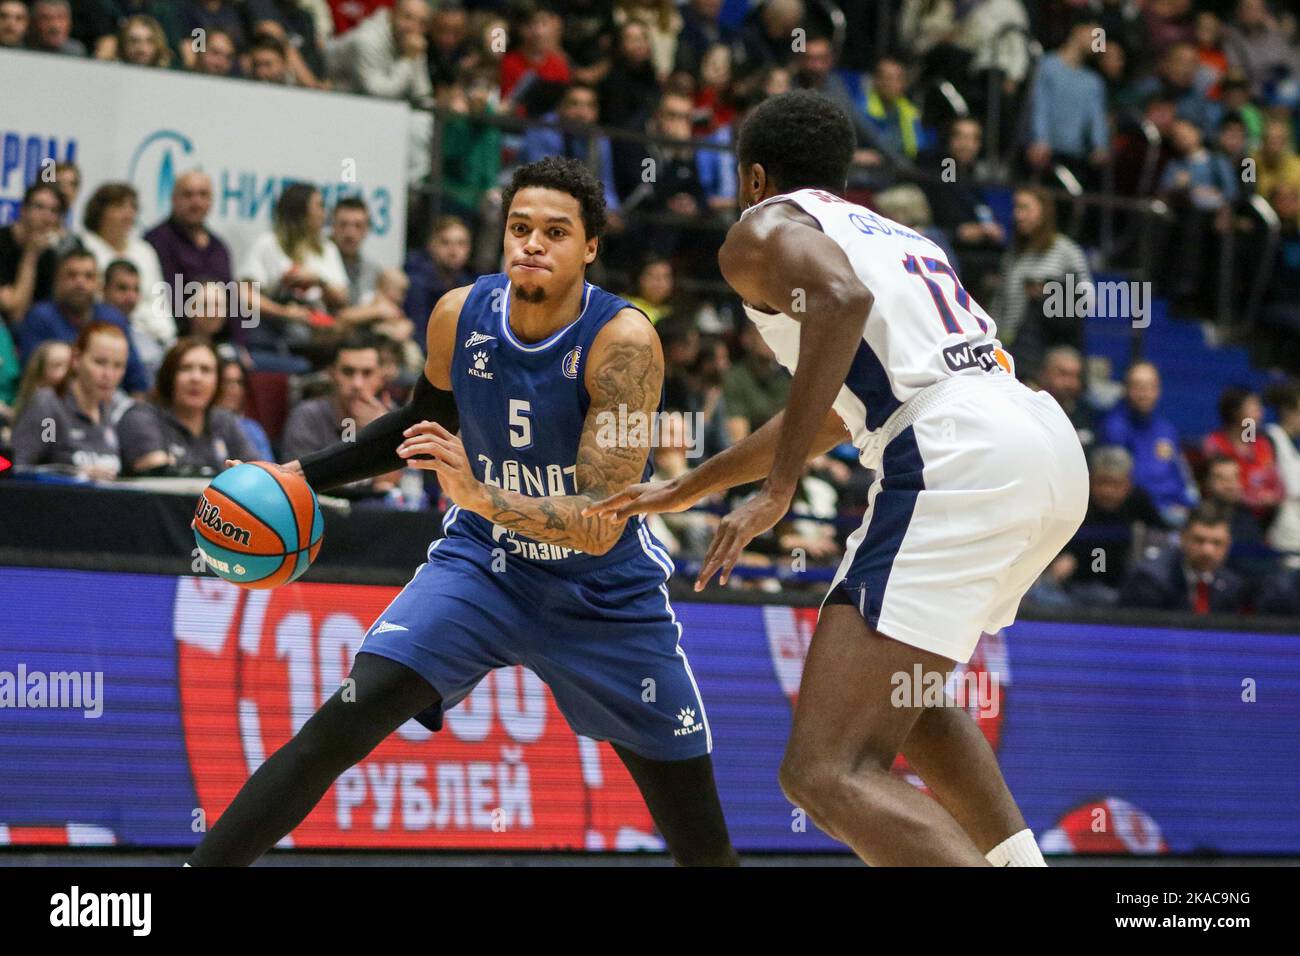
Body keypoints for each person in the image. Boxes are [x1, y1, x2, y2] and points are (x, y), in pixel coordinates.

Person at [187, 157, 737, 868]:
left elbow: (603, 519)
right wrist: (300, 473)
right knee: (340, 724)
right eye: (520, 228)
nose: (532, 244)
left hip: (602, 594)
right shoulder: (459, 314)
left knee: (701, 843)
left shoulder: (624, 343)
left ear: (591, 247)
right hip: (485, 568)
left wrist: (481, 495)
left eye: (555, 232)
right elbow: (422, 419)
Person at [589, 89, 1089, 866]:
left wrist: (779, 490)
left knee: (822, 773)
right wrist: (693, 486)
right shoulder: (893, 233)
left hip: (955, 451)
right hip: (1039, 440)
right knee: (904, 697)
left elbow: (839, 298)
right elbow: (830, 412)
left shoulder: (760, 230)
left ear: (753, 178)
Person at [280, 332, 400, 499]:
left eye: (367, 373)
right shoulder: (308, 415)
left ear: (380, 377)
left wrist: (378, 431)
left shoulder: (392, 416)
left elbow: (389, 487)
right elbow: (297, 484)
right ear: (332, 374)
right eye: (348, 372)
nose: (357, 384)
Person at [16, 248, 151, 395]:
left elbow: (136, 380)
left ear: (98, 284)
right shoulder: (40, 317)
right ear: (57, 280)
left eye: (88, 276)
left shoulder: (114, 319)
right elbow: (32, 378)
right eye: (71, 275)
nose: (80, 283)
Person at [117, 337, 253, 475]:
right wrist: (232, 477)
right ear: (169, 376)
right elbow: (159, 475)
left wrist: (246, 473)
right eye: (185, 368)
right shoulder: (140, 417)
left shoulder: (224, 421)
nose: (196, 378)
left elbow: (258, 473)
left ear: (218, 381)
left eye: (205, 370)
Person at [11, 321, 128, 479]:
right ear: (77, 359)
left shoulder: (111, 412)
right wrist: (76, 475)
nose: (109, 375)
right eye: (100, 362)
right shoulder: (50, 409)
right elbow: (19, 470)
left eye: (118, 366)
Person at [78, 182, 174, 369]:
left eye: (133, 207)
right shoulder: (84, 245)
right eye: (120, 206)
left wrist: (167, 337)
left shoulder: (145, 251)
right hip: (102, 329)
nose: (128, 213)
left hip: (149, 332)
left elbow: (158, 300)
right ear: (100, 211)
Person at [1099, 361, 1197, 525]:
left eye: (1150, 387)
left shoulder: (1167, 430)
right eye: (1138, 386)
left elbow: (1181, 474)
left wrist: (1189, 504)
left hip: (1177, 508)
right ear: (1125, 389)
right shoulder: (1113, 428)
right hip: (1142, 513)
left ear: (1158, 391)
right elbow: (1121, 482)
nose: (1144, 393)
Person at [143, 171, 237, 333]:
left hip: (218, 340)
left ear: (211, 201)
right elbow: (164, 298)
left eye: (203, 195)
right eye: (188, 195)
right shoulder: (156, 241)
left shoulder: (219, 247)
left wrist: (239, 346)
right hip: (175, 336)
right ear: (173, 198)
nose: (196, 202)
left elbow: (233, 300)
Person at [1119, 503, 1246, 614]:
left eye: (1217, 543)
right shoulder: (1149, 580)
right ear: (1182, 538)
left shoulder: (1231, 585)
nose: (1207, 551)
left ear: (1228, 545)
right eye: (1199, 540)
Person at [0, 183, 64, 326]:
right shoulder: (3, 242)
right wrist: (31, 256)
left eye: (54, 211)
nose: (47, 217)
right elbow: (14, 310)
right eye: (39, 207)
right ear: (23, 210)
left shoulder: (49, 255)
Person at [215, 358, 274, 462]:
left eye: (239, 383)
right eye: (226, 382)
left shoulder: (253, 429)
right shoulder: (200, 423)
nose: (234, 388)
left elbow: (268, 470)